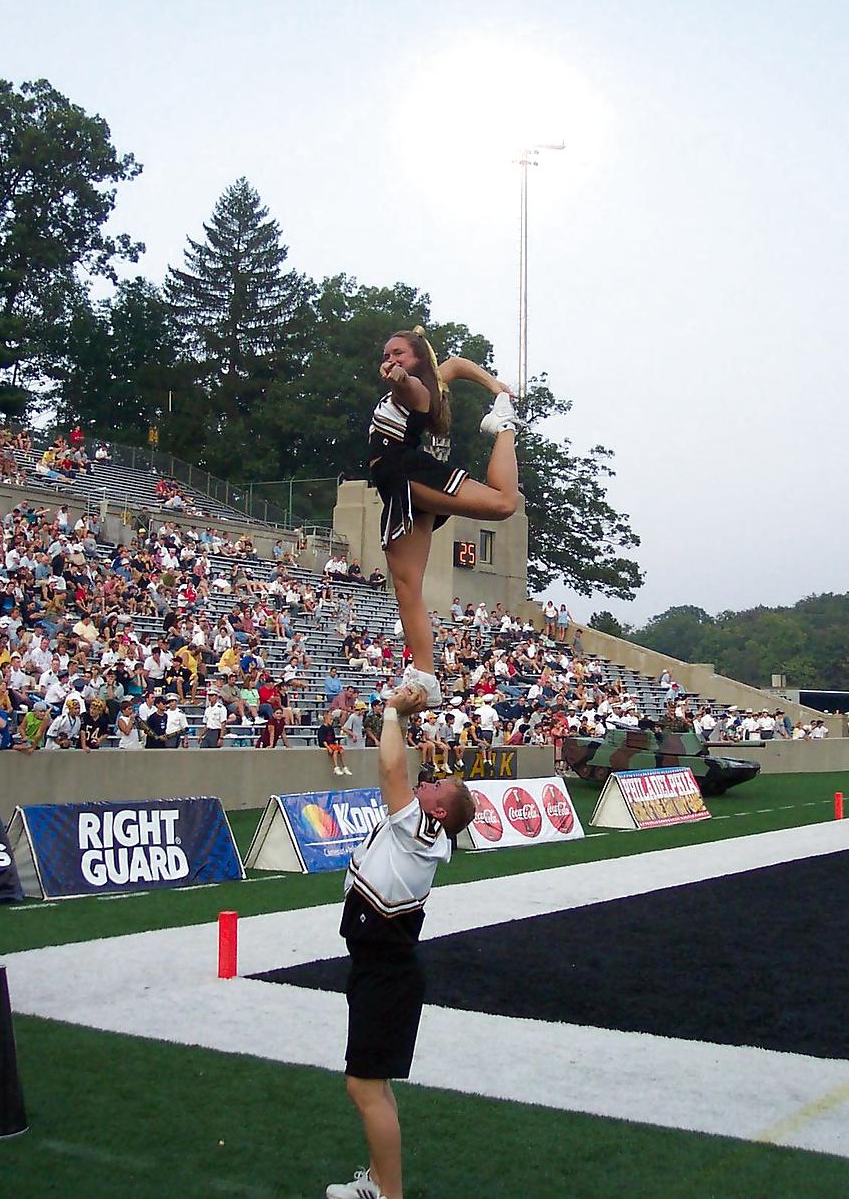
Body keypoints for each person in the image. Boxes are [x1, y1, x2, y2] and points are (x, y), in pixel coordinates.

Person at [327, 683, 475, 1199]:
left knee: (363, 1086)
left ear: (436, 812)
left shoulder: (419, 829)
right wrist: (404, 719)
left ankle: (389, 1195)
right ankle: (379, 1184)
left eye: (439, 786)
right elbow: (403, 772)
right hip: (382, 965)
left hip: (386, 969)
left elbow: (391, 770)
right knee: (375, 1085)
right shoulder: (422, 826)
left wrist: (393, 710)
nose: (429, 782)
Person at [368, 328, 521, 709]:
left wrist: (401, 378)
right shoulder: (433, 380)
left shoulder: (416, 389)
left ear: (417, 358)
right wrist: (494, 383)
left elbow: (412, 390)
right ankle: (425, 677)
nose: (391, 359)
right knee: (406, 585)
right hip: (397, 489)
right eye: (386, 354)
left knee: (504, 503)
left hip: (410, 474)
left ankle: (503, 426)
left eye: (399, 353)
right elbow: (455, 365)